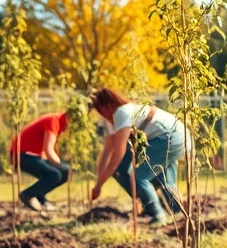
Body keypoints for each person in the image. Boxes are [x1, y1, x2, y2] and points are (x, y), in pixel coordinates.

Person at [90, 88, 189, 226]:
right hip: (174, 135)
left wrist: (99, 185)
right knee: (163, 180)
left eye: (101, 111)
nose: (102, 115)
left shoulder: (121, 113)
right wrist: (98, 183)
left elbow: (118, 153)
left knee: (138, 176)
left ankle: (157, 214)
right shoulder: (114, 118)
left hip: (169, 136)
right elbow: (107, 151)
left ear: (108, 106)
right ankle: (178, 211)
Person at [12, 111, 70, 212]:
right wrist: (59, 165)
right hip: (21, 155)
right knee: (55, 174)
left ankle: (40, 198)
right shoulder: (54, 121)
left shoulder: (58, 122)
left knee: (65, 172)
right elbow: (49, 150)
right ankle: (27, 195)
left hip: (30, 155)